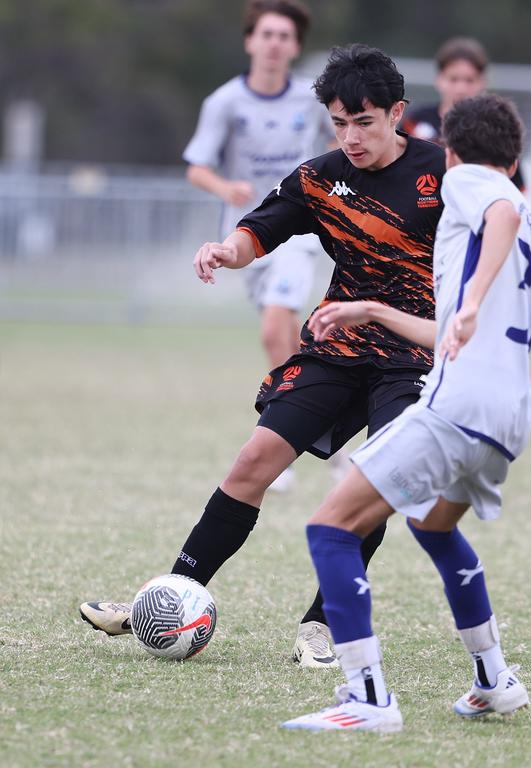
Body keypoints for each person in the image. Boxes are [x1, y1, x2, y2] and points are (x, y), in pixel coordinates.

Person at [79, 44, 446, 669]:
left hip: (412, 353)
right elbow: (262, 227)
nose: (350, 137)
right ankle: (170, 597)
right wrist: (228, 250)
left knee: (373, 482)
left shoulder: (444, 173)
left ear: (396, 114)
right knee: (254, 461)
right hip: (339, 344)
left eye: (364, 122)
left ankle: (322, 626)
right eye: (339, 122)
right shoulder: (322, 177)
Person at [280, 93, 531, 733]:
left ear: (453, 151)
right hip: (508, 414)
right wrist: (370, 309)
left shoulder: (471, 186)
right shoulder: (530, 216)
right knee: (432, 526)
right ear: (515, 156)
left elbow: (497, 211)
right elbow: (449, 330)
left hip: (459, 406)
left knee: (331, 528)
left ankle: (367, 699)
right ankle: (493, 679)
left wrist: (473, 301)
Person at [182, 0, 336, 493]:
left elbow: (337, 146)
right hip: (246, 235)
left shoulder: (312, 102)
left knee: (276, 324)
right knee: (285, 336)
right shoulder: (225, 102)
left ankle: (283, 439)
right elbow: (196, 166)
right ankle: (316, 420)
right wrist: (225, 188)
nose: (274, 44)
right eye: (266, 34)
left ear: (295, 46)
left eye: (284, 36)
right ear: (250, 41)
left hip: (299, 230)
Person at [403, 36, 527, 192]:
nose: (461, 88)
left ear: (483, 82)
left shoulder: (496, 129)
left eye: (469, 80)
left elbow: (519, 190)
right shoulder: (415, 122)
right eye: (453, 79)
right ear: (439, 79)